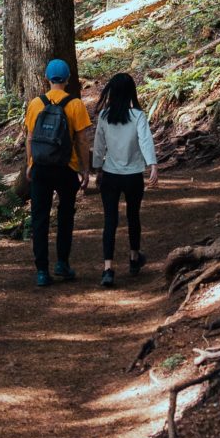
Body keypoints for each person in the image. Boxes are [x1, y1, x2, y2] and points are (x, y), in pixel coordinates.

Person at [23, 57, 93, 287]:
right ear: (68, 79)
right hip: (66, 168)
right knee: (65, 216)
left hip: (41, 167)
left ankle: (42, 270)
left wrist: (29, 164)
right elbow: (82, 140)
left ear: (47, 78)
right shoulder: (75, 104)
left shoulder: (35, 104)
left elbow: (30, 138)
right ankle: (62, 262)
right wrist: (85, 168)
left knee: (40, 219)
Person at [90, 70, 159, 284]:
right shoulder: (138, 116)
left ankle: (108, 269)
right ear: (131, 92)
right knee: (133, 216)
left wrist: (97, 168)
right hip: (133, 176)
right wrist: (153, 165)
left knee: (110, 220)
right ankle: (133, 257)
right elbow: (145, 140)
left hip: (110, 175)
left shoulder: (104, 117)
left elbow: (99, 146)